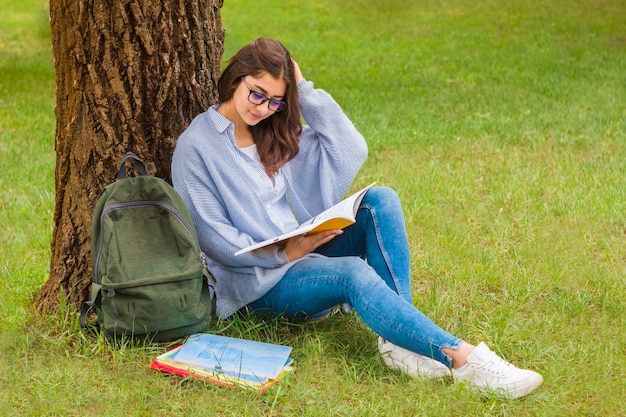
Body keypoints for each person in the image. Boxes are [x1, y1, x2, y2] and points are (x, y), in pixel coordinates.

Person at [172, 37, 543, 399]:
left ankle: (399, 343)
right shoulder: (196, 146)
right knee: (351, 272)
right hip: (255, 282)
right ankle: (463, 359)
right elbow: (212, 237)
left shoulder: (270, 129)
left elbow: (350, 146)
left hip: (300, 252)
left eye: (276, 101)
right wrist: (287, 253)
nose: (263, 107)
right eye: (257, 93)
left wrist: (304, 89)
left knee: (380, 200)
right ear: (236, 78)